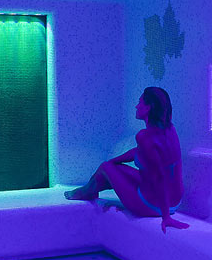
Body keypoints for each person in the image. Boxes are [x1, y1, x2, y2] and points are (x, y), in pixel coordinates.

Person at [64, 87, 190, 234]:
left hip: (153, 205)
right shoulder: (170, 130)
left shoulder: (145, 136)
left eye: (140, 102)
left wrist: (166, 217)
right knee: (111, 168)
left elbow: (159, 177)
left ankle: (87, 191)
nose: (136, 106)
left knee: (105, 167)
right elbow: (139, 153)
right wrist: (114, 162)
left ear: (148, 107)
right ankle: (90, 189)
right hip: (175, 201)